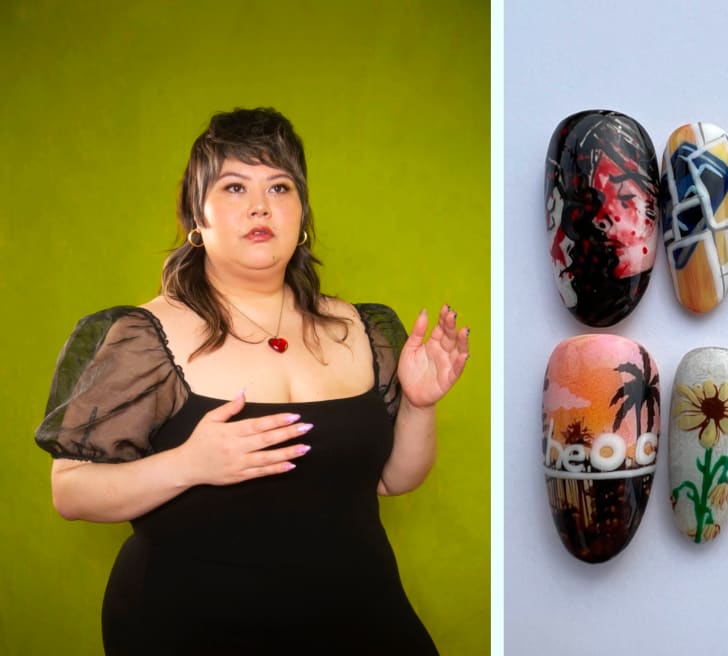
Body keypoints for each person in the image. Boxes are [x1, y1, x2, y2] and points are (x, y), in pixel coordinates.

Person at [34, 108, 468, 654]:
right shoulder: (145, 335)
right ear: (197, 215)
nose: (260, 206)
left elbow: (394, 481)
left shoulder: (362, 328)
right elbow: (70, 489)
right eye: (234, 186)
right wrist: (189, 464)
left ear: (301, 212)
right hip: (188, 625)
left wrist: (421, 406)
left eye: (279, 187)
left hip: (359, 616)